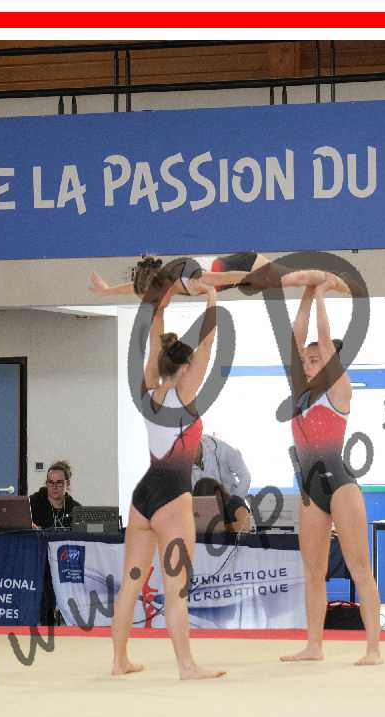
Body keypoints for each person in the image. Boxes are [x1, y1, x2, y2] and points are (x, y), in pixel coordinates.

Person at [109, 278, 226, 680]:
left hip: (144, 495)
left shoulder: (148, 393)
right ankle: (186, 665)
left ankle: (119, 660)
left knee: (131, 581)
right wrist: (211, 296)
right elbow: (208, 343)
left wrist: (164, 298)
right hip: (174, 497)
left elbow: (154, 336)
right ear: (186, 366)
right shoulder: (184, 395)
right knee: (175, 588)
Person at [280, 282, 383, 666]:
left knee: (359, 567)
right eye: (305, 361)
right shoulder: (299, 393)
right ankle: (314, 645)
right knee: (313, 570)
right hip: (310, 490)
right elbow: (295, 338)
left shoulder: (339, 390)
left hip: (340, 485)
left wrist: (322, 292)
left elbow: (323, 341)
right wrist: (307, 291)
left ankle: (373, 648)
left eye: (314, 360)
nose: (307, 365)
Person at [89, 252, 351, 301]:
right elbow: (133, 287)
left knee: (291, 279)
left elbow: (225, 278)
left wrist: (256, 276)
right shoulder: (160, 281)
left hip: (242, 267)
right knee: (289, 281)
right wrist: (107, 291)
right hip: (235, 280)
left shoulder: (189, 278)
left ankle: (340, 282)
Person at [193, 433, 251, 501]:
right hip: (204, 504)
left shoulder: (223, 449)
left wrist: (235, 502)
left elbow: (245, 475)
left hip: (231, 498)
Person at [30, 460, 80, 529]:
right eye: (50, 482)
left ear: (68, 483)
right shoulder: (31, 503)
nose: (54, 487)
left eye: (59, 482)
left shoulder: (76, 509)